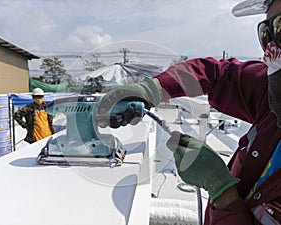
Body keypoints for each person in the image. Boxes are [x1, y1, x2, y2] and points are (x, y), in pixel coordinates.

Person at [97, 0, 281, 224]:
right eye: (267, 33)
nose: (272, 48)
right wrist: (154, 88)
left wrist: (222, 191)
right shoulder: (268, 89)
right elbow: (215, 74)